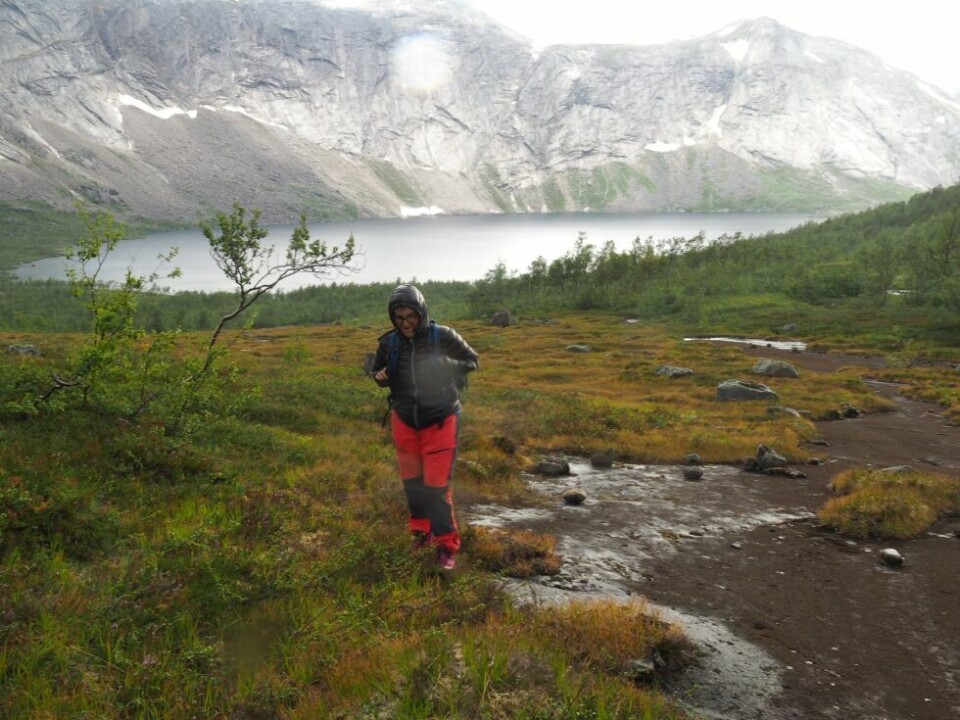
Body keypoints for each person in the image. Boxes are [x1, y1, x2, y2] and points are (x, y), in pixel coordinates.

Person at [372, 284, 479, 570]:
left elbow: (472, 361)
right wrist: (379, 376)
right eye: (400, 318)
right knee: (413, 486)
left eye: (411, 317)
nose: (406, 323)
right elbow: (378, 371)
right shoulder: (389, 343)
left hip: (441, 418)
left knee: (435, 488)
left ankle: (446, 545)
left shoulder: (442, 336)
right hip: (404, 419)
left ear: (421, 313)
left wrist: (446, 364)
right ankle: (421, 533)